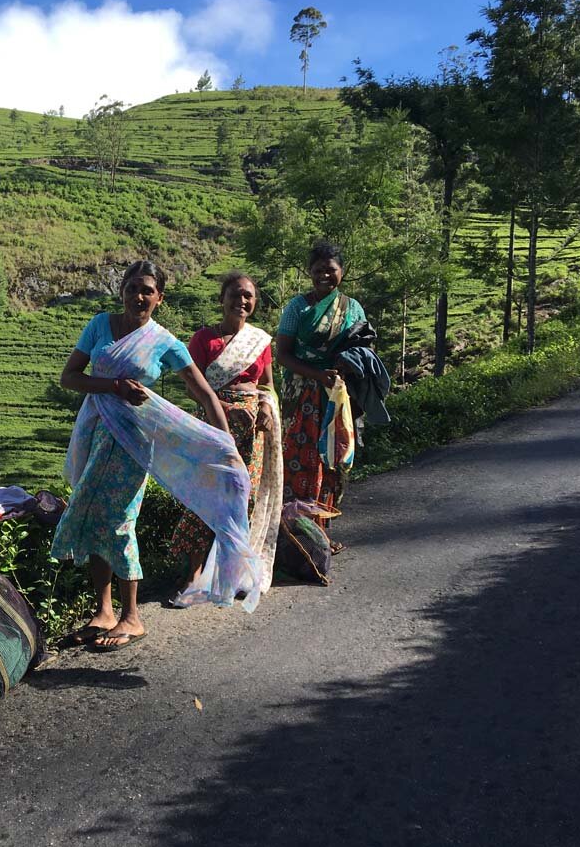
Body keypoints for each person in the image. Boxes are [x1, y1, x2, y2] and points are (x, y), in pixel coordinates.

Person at [53, 260, 258, 652]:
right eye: (133, 288)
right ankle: (104, 611)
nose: (139, 296)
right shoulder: (99, 325)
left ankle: (132, 616)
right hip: (95, 431)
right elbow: (70, 377)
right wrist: (113, 386)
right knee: (92, 511)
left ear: (159, 299)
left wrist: (227, 446)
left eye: (148, 290)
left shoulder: (164, 341)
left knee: (119, 519)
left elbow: (205, 395)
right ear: (123, 291)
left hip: (135, 439)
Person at [167, 271, 282, 599]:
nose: (242, 301)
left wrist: (264, 406)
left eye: (248, 296)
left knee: (243, 496)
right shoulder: (204, 339)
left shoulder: (260, 341)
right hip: (213, 424)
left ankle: (231, 572)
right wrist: (228, 408)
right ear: (222, 299)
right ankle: (193, 574)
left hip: (254, 430)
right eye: (236, 294)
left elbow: (267, 385)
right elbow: (193, 389)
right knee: (204, 495)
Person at [275, 241, 367, 550]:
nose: (324, 276)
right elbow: (283, 355)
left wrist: (343, 368)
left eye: (331, 270)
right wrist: (317, 374)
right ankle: (296, 533)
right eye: (318, 271)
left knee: (333, 460)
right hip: (301, 395)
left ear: (342, 272)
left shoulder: (352, 307)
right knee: (301, 461)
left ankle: (322, 533)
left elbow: (364, 348)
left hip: (338, 395)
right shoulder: (297, 307)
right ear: (309, 273)